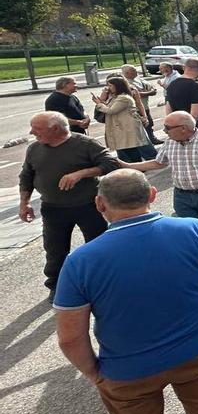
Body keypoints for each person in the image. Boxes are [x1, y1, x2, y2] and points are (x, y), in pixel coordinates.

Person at [52, 170, 198, 414]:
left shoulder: (79, 262)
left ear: (100, 204)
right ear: (152, 194)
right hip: (196, 349)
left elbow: (69, 337)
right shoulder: (194, 229)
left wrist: (95, 373)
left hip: (126, 368)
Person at [19, 112, 121, 295]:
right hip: (53, 208)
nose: (32, 132)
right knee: (54, 250)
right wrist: (24, 203)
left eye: (37, 129)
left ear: (55, 128)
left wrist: (80, 173)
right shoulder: (34, 148)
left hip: (88, 205)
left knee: (97, 245)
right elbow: (26, 175)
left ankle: (102, 282)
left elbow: (110, 163)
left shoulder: (85, 144)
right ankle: (57, 286)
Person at [122, 110, 198, 236]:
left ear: (184, 128)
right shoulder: (170, 142)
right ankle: (196, 255)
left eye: (167, 128)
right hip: (182, 197)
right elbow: (159, 163)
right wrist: (128, 166)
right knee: (189, 232)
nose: (164, 131)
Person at [92, 76, 155, 162]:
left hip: (126, 128)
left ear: (117, 86)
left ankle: (141, 165)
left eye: (110, 86)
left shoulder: (123, 98)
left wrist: (99, 104)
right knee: (125, 149)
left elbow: (111, 110)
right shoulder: (116, 97)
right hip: (121, 128)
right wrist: (102, 100)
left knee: (130, 150)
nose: (108, 88)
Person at [167, 58, 198, 134]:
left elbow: (168, 108)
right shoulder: (195, 86)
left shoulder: (172, 85)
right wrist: (190, 129)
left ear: (184, 68)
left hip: (179, 126)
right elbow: (196, 112)